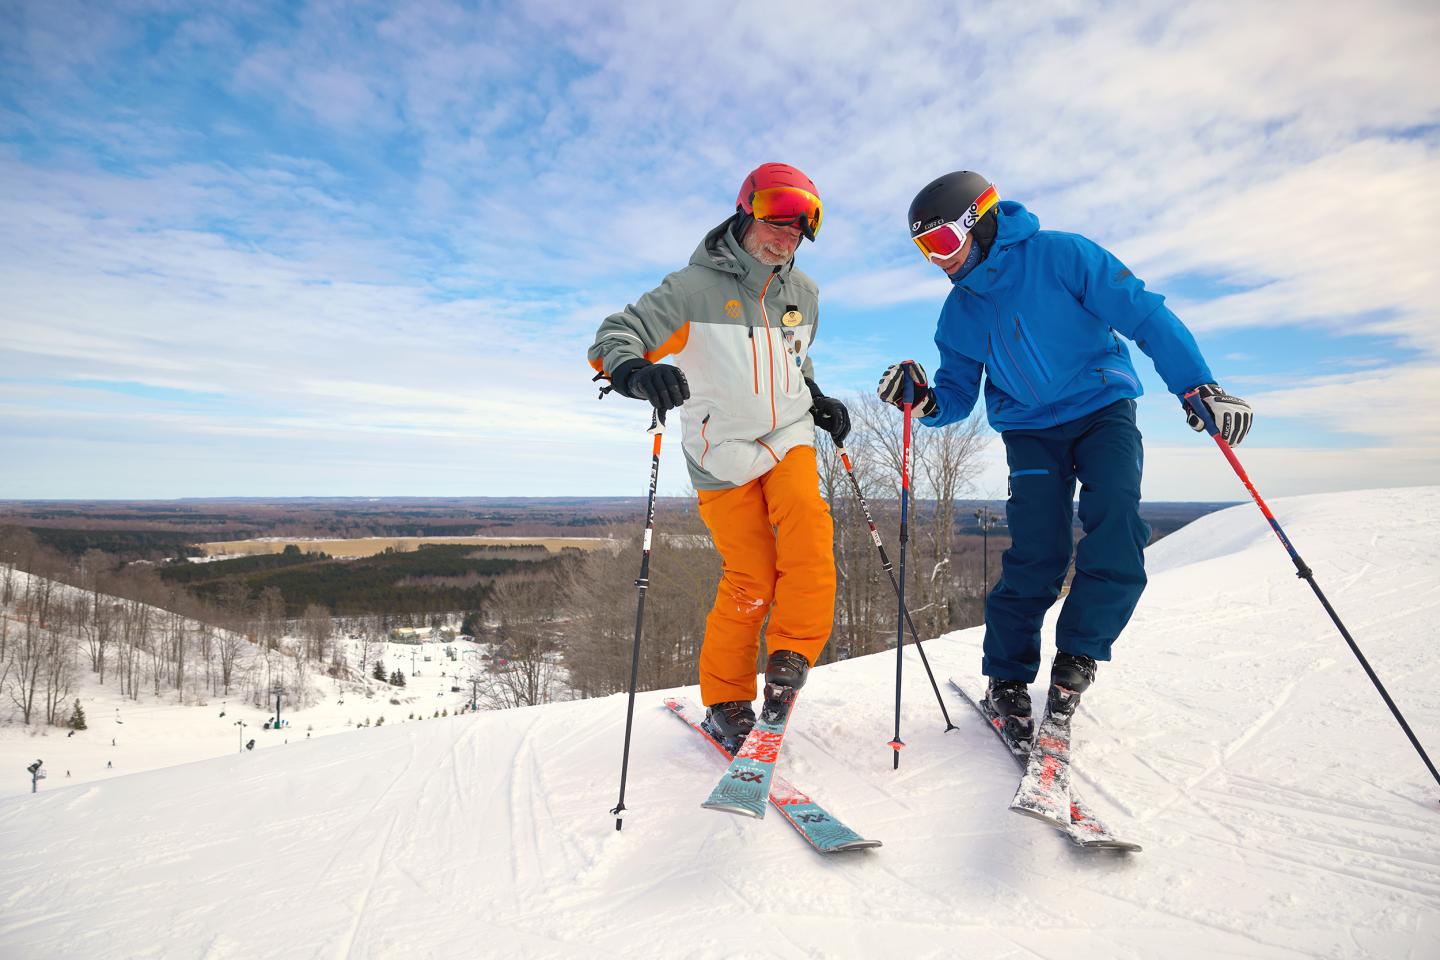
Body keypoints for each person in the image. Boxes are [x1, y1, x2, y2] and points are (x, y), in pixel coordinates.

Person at [879, 172, 1253, 741]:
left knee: (1118, 526)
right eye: (924, 250)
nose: (938, 261)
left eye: (943, 244)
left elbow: (1144, 315)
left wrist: (1196, 386)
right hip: (1029, 430)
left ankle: (1076, 658)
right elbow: (955, 396)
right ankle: (1006, 678)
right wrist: (923, 399)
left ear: (978, 222)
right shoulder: (959, 313)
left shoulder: (1063, 255)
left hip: (1102, 408)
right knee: (1037, 552)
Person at [588, 162, 849, 752]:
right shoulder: (690, 289)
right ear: (745, 210)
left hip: (788, 436)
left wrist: (817, 396)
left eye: (797, 231)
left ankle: (788, 664)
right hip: (720, 452)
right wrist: (632, 370)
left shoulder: (804, 293)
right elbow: (615, 334)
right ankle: (728, 701)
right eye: (775, 222)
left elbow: (793, 360)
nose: (785, 238)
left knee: (809, 529)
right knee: (750, 579)